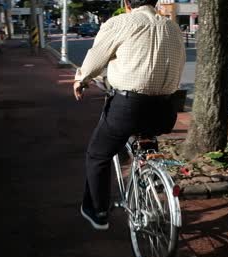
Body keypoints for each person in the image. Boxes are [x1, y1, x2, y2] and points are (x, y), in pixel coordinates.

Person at [73, 0, 185, 230]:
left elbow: (96, 59)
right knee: (144, 138)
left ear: (126, 3)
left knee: (98, 155)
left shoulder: (120, 22)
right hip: (166, 108)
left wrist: (80, 80)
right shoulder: (172, 27)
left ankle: (99, 211)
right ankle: (150, 176)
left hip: (129, 106)